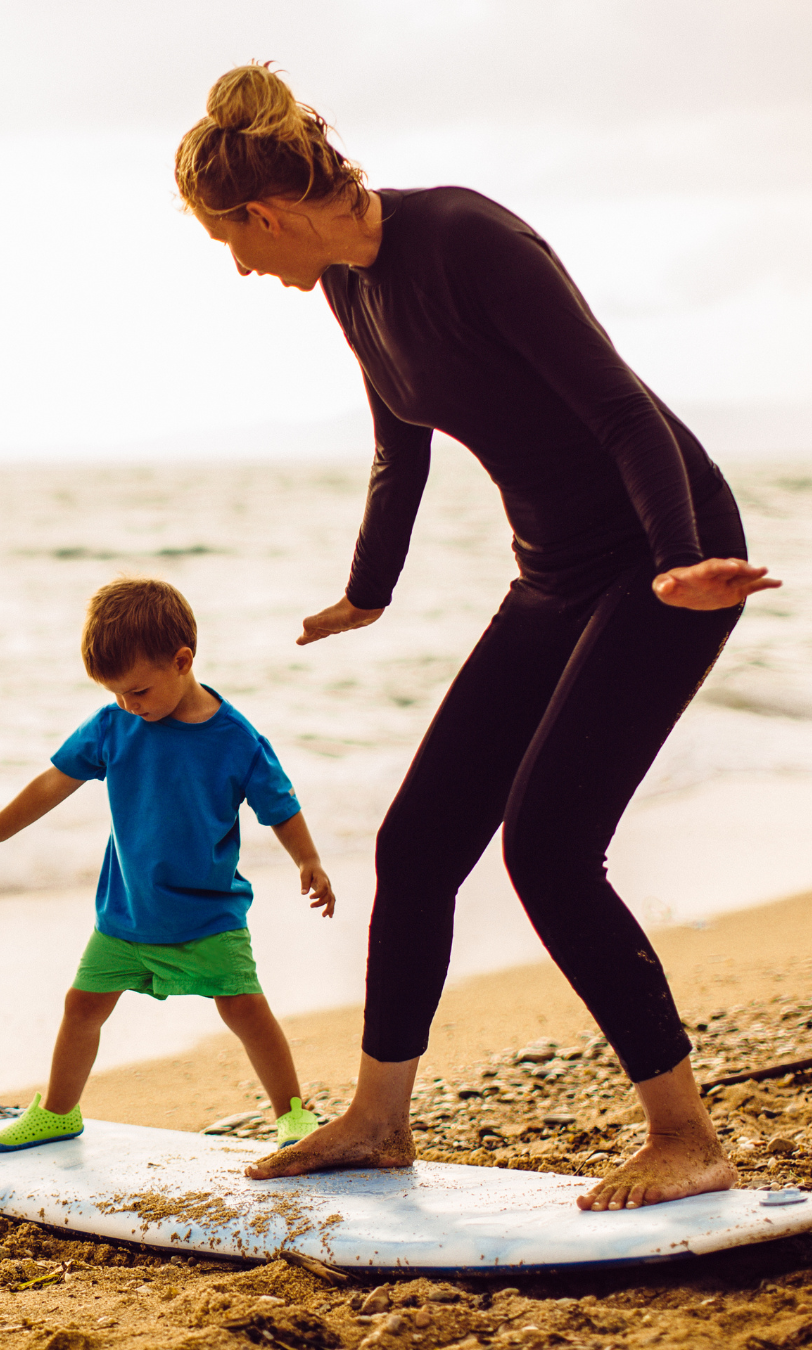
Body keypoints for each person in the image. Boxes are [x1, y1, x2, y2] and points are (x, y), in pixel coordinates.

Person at [174, 64, 782, 1211]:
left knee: (549, 845)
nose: (246, 271)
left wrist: (673, 564)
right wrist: (368, 591)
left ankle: (687, 1135)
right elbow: (402, 446)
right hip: (552, 576)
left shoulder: (468, 239)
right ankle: (378, 1121)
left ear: (261, 213)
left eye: (234, 247)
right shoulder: (353, 291)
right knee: (416, 847)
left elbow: (624, 411)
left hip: (667, 558)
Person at [0, 577, 334, 1152]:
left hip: (208, 916)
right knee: (82, 1007)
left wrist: (309, 859)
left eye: (138, 691)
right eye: (116, 693)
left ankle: (292, 1114)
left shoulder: (236, 739)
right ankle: (59, 1113)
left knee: (245, 1009)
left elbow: (280, 806)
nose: (128, 705)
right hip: (126, 914)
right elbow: (53, 783)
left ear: (182, 660)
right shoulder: (113, 726)